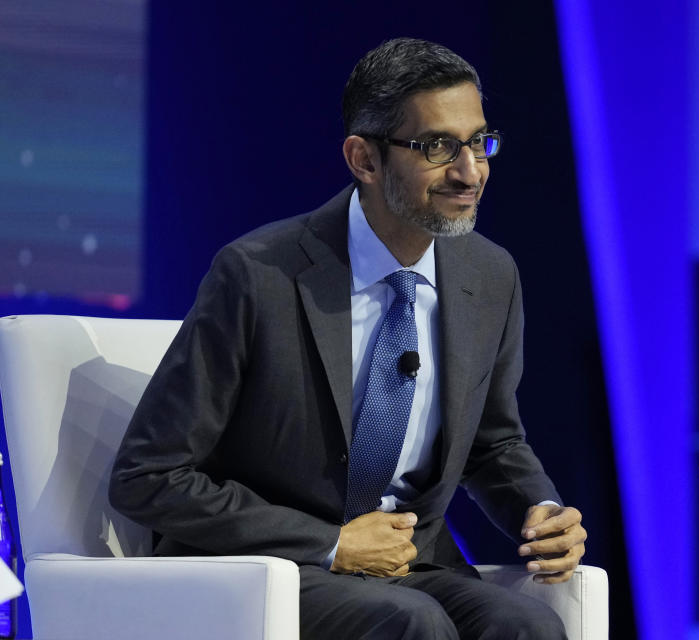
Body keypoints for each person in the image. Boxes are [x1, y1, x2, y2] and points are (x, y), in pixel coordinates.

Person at [109, 37, 587, 639]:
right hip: (273, 567)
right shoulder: (259, 274)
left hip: (408, 560)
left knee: (529, 628)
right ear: (364, 159)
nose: (470, 171)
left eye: (478, 142)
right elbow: (148, 476)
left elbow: (492, 444)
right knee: (411, 624)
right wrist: (331, 543)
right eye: (439, 146)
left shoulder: (490, 277)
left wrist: (537, 510)